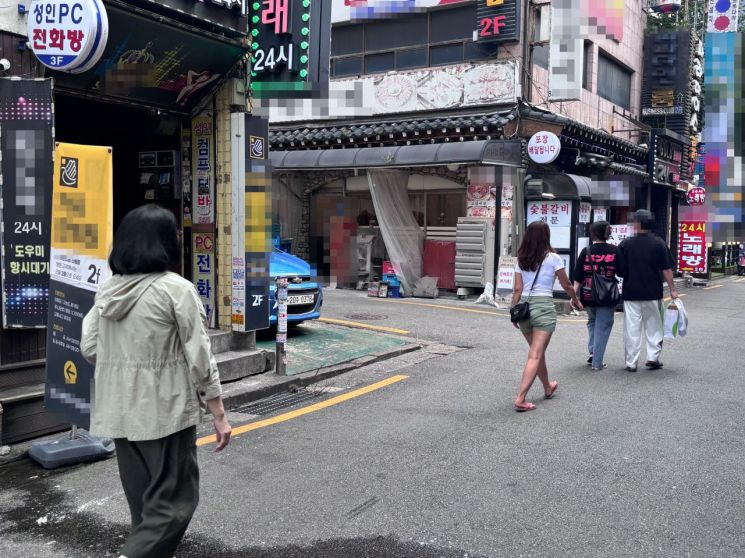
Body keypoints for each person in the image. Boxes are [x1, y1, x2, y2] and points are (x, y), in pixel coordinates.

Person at [81, 204, 231, 558]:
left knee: (145, 510)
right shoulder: (175, 290)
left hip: (118, 412)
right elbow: (200, 358)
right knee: (173, 505)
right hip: (164, 412)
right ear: (167, 243)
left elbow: (89, 347)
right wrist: (219, 414)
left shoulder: (108, 290)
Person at [511, 221, 583, 412]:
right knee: (535, 354)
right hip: (543, 306)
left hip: (524, 307)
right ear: (546, 237)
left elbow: (518, 289)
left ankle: (547, 387)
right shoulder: (553, 258)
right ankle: (520, 398)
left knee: (537, 352)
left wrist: (513, 312)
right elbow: (567, 284)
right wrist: (575, 299)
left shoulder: (521, 258)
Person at [619, 209, 678, 372]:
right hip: (653, 293)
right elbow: (666, 269)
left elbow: (619, 269)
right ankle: (653, 358)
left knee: (632, 328)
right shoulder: (658, 243)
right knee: (654, 326)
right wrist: (672, 289)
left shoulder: (625, 244)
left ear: (636, 224)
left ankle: (631, 362)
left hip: (631, 293)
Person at [573, 221, 624, 371]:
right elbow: (622, 272)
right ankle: (597, 362)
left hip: (588, 293)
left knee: (592, 321)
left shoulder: (586, 250)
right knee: (603, 326)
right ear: (607, 233)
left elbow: (578, 275)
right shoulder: (614, 251)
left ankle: (593, 351)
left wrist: (574, 296)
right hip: (607, 294)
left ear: (593, 233)